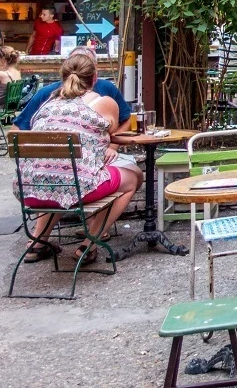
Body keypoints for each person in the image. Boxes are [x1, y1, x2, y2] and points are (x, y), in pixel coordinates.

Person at [14, 51, 143, 263]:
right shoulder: (103, 102)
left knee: (57, 177)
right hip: (76, 189)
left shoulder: (47, 103)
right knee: (132, 177)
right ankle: (89, 244)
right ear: (95, 78)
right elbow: (111, 129)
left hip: (29, 190)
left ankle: (38, 243)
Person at [14, 48, 131, 130]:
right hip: (89, 162)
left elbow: (15, 132)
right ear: (94, 74)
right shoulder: (105, 101)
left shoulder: (49, 97)